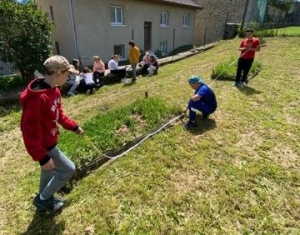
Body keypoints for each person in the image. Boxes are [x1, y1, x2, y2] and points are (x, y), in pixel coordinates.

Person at [20, 55, 84, 213]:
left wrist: (74, 127)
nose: (69, 77)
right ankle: (43, 199)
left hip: (50, 140)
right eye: (68, 74)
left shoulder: (54, 91)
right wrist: (41, 156)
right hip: (45, 145)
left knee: (48, 170)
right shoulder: (37, 99)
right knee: (69, 169)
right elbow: (28, 131)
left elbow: (59, 115)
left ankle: (43, 200)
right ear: (58, 74)